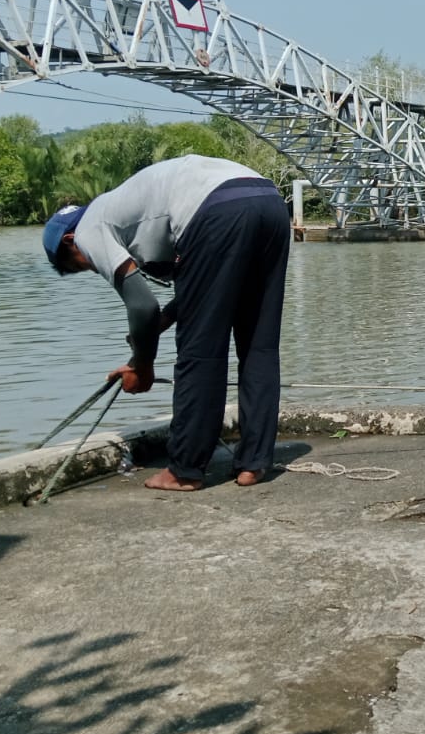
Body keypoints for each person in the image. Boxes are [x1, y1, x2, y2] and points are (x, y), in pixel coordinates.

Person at [42, 155, 291, 491]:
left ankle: (185, 470)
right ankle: (254, 464)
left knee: (200, 351)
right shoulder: (125, 209)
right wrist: (159, 325)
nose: (93, 268)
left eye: (81, 266)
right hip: (268, 202)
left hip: (214, 209)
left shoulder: (88, 230)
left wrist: (142, 366)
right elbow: (204, 292)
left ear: (70, 242)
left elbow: (142, 305)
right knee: (258, 344)